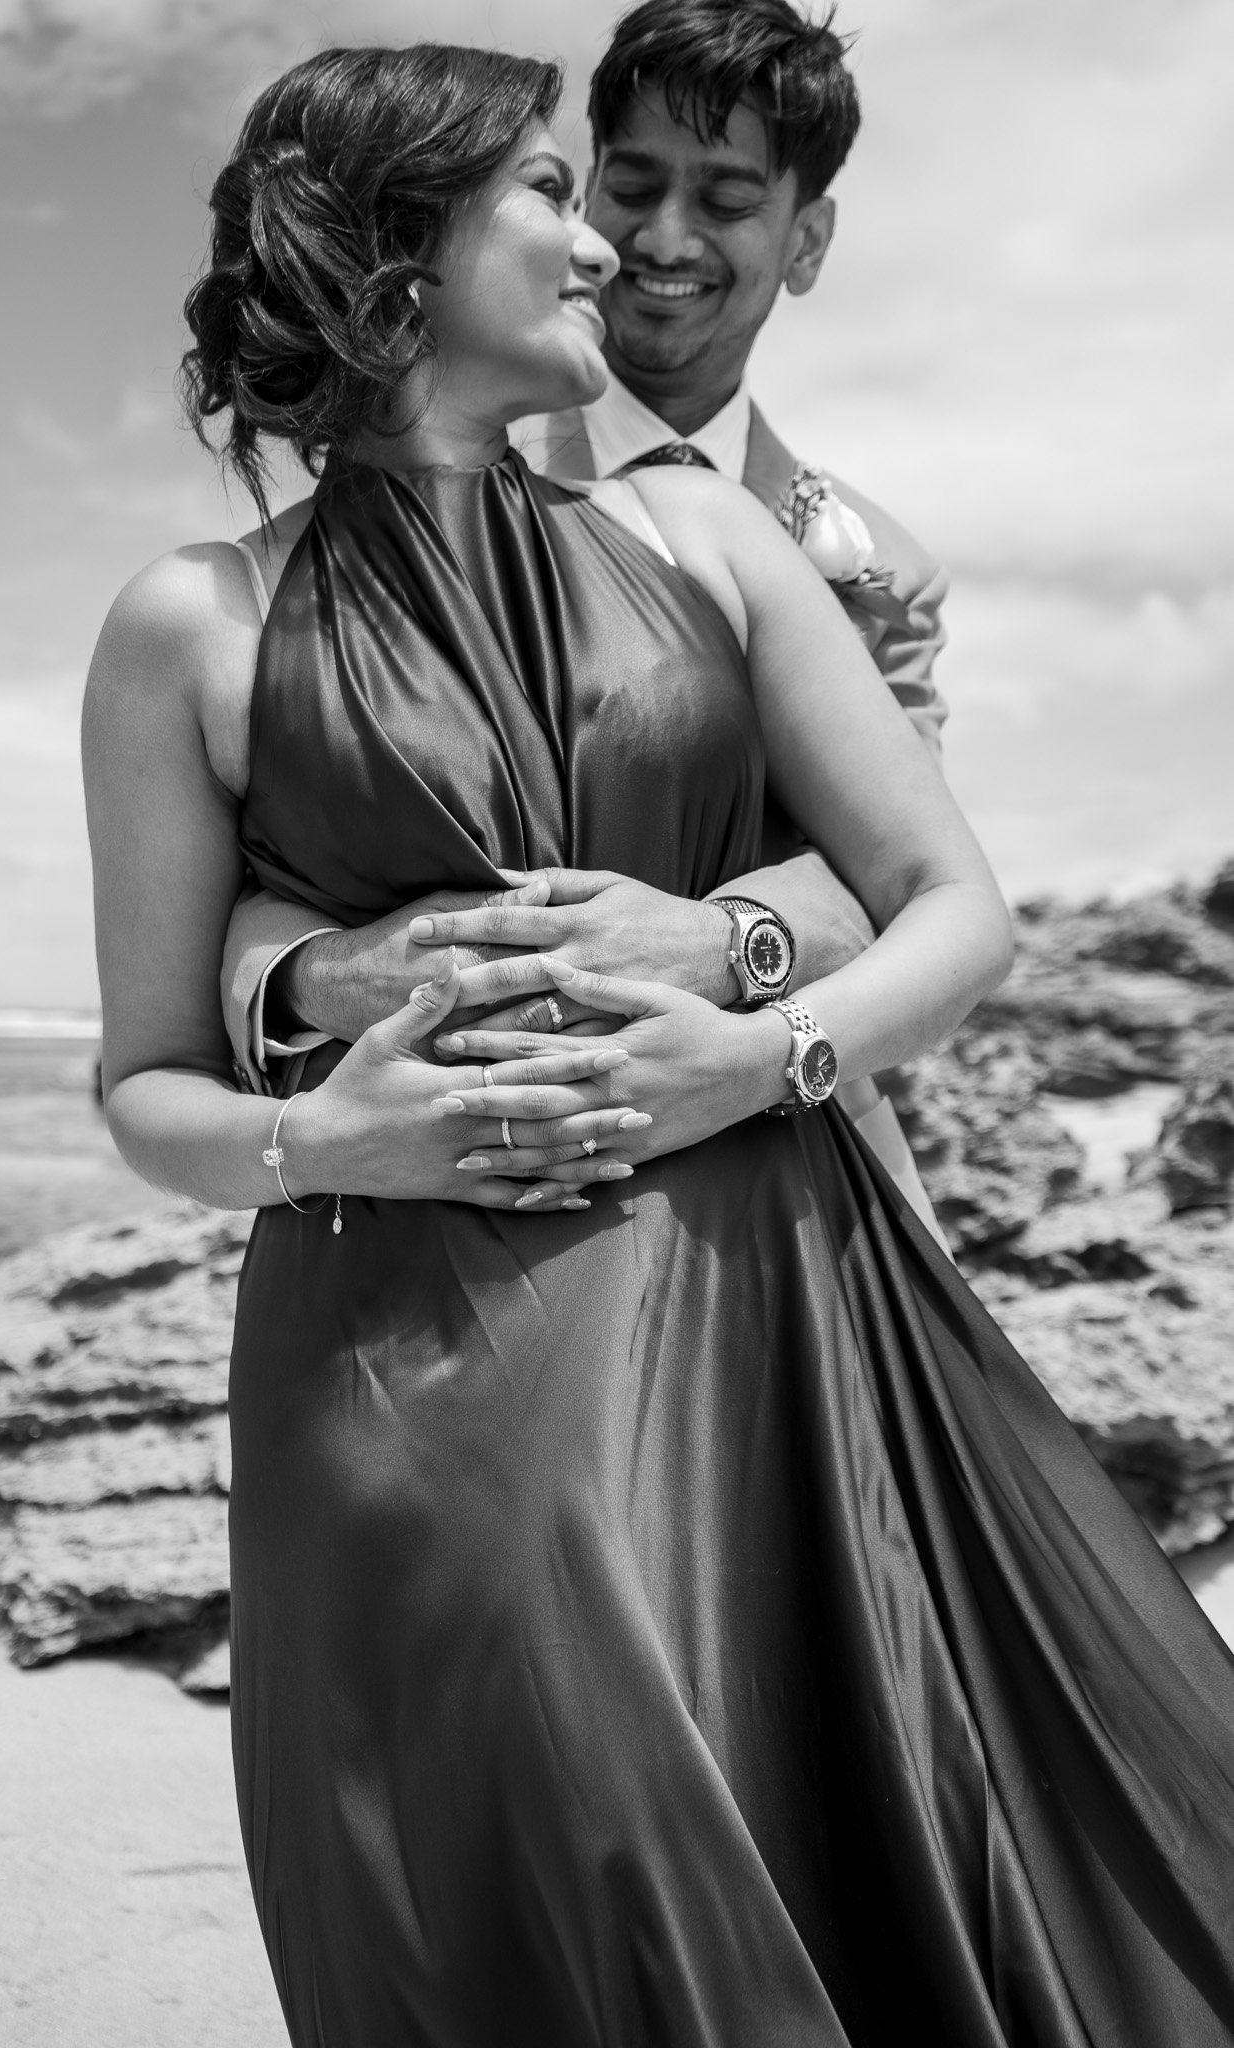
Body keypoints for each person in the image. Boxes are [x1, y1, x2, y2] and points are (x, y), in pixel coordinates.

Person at [83, 39, 1234, 2048]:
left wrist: (742, 1031)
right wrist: (331, 1127)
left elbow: (940, 894)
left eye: (662, 198)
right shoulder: (189, 623)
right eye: (553, 191)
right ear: (394, 252)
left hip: (765, 1294)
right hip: (402, 1362)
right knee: (546, 1882)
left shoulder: (726, 542)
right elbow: (150, 1077)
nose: (608, 244)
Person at [216, 0, 946, 1241]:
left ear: (807, 239)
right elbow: (287, 831)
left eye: (724, 199)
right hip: (445, 1178)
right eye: (628, 184)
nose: (657, 239)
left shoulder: (875, 567)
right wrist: (327, 975)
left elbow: (908, 877)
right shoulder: (403, 487)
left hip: (774, 1151)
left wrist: (725, 943)